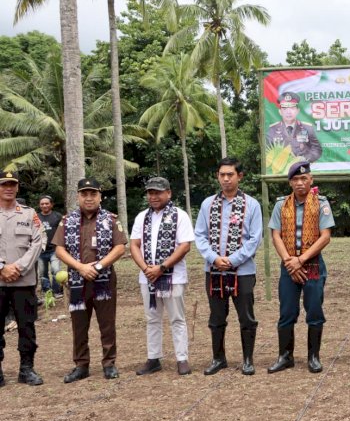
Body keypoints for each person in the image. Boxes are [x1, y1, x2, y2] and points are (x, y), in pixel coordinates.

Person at [54, 178, 127, 382]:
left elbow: (120, 247)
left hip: (103, 279)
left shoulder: (111, 219)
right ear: (77, 196)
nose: (88, 198)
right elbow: (59, 249)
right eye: (84, 194)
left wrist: (98, 266)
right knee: (79, 324)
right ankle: (81, 364)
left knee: (107, 323)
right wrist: (80, 267)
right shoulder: (66, 221)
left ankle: (109, 363)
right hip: (77, 281)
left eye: (93, 194)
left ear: (100, 196)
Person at [195, 158, 263, 375]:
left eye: (230, 174)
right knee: (216, 317)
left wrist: (233, 260)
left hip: (242, 271)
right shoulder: (208, 204)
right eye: (222, 174)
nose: (226, 179)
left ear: (239, 176)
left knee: (246, 317)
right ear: (218, 176)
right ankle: (218, 358)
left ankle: (248, 359)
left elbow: (255, 239)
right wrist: (214, 258)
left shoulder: (251, 204)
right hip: (214, 271)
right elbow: (200, 235)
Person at [267, 162, 334, 374]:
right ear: (290, 182)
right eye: (295, 179)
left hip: (312, 265)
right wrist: (289, 260)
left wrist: (301, 259)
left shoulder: (321, 203)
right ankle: (285, 356)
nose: (300, 183)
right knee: (286, 311)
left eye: (304, 179)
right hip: (288, 266)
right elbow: (275, 234)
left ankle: (313, 356)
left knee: (314, 311)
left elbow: (325, 236)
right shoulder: (281, 205)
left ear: (311, 180)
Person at [130, 177, 195, 376]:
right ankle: (153, 358)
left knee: (177, 318)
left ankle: (182, 359)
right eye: (150, 192)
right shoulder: (142, 217)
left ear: (168, 193)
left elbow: (185, 246)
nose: (154, 196)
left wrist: (162, 267)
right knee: (152, 319)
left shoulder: (180, 216)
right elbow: (134, 244)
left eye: (158, 192)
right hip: (147, 277)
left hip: (173, 276)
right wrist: (146, 268)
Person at [0, 171, 45, 387]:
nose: (8, 188)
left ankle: (26, 369)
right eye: (4, 184)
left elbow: (39, 242)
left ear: (17, 187)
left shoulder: (29, 214)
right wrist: (2, 268)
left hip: (23, 281)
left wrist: (18, 267)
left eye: (12, 184)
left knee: (27, 327)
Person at [266, 91, 322, 163]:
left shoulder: (307, 128)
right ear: (280, 112)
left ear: (297, 111)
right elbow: (267, 151)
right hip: (280, 170)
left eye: (292, 108)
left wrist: (305, 159)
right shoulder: (272, 130)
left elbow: (317, 149)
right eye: (285, 108)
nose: (288, 112)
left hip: (303, 169)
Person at [37, 195, 63, 299]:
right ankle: (47, 292)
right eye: (42, 204)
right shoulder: (35, 217)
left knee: (56, 271)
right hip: (40, 250)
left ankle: (57, 291)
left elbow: (62, 231)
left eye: (47, 203)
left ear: (51, 204)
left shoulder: (58, 216)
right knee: (43, 274)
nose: (44, 205)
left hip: (54, 249)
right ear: (39, 205)